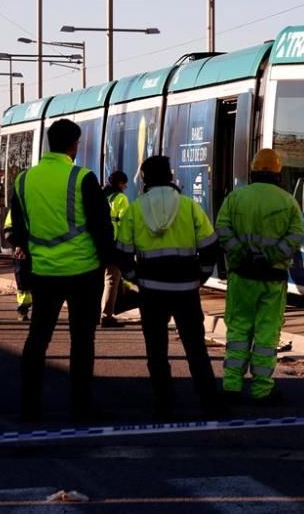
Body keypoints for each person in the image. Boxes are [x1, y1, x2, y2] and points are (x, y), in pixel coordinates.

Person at [10, 119, 114, 421]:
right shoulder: (82, 177)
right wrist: (110, 258)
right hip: (83, 272)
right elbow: (100, 225)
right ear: (73, 145)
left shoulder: (24, 180)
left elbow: (18, 228)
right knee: (82, 341)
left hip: (44, 273)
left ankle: (30, 405)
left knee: (38, 337)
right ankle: (81, 406)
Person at [116, 156, 222, 419]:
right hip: (186, 290)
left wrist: (134, 278)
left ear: (144, 180)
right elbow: (210, 246)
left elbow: (122, 252)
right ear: (170, 177)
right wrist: (202, 277)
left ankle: (163, 401)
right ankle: (210, 401)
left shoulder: (135, 210)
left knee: (156, 350)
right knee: (196, 347)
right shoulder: (189, 207)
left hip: (151, 291)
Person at [215, 148, 304, 403]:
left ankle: (231, 385)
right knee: (267, 334)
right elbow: (296, 236)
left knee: (239, 329)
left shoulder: (236, 198)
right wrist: (272, 256)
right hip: (272, 278)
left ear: (253, 172)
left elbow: (222, 229)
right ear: (278, 174)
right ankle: (262, 389)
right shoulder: (288, 202)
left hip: (242, 276)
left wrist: (242, 253)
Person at [101, 170, 130, 328]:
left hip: (96, 243)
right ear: (119, 183)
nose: (126, 187)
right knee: (111, 279)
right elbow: (125, 223)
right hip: (113, 244)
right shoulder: (121, 199)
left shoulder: (100, 195)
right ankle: (106, 316)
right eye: (124, 183)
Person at [2, 211, 33, 321]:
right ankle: (23, 309)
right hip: (25, 249)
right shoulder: (19, 204)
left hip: (41, 249)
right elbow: (8, 231)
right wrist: (19, 245)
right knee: (23, 278)